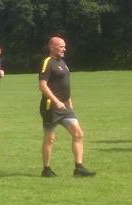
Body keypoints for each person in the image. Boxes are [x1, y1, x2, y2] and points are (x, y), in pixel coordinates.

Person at [38, 36, 95, 177]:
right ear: (52, 47)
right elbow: (42, 85)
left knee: (78, 134)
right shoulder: (47, 62)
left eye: (64, 46)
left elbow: (63, 84)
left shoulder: (62, 62)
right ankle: (46, 169)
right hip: (51, 106)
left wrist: (68, 101)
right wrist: (56, 101)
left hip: (65, 107)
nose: (64, 48)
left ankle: (79, 168)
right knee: (50, 139)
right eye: (61, 46)